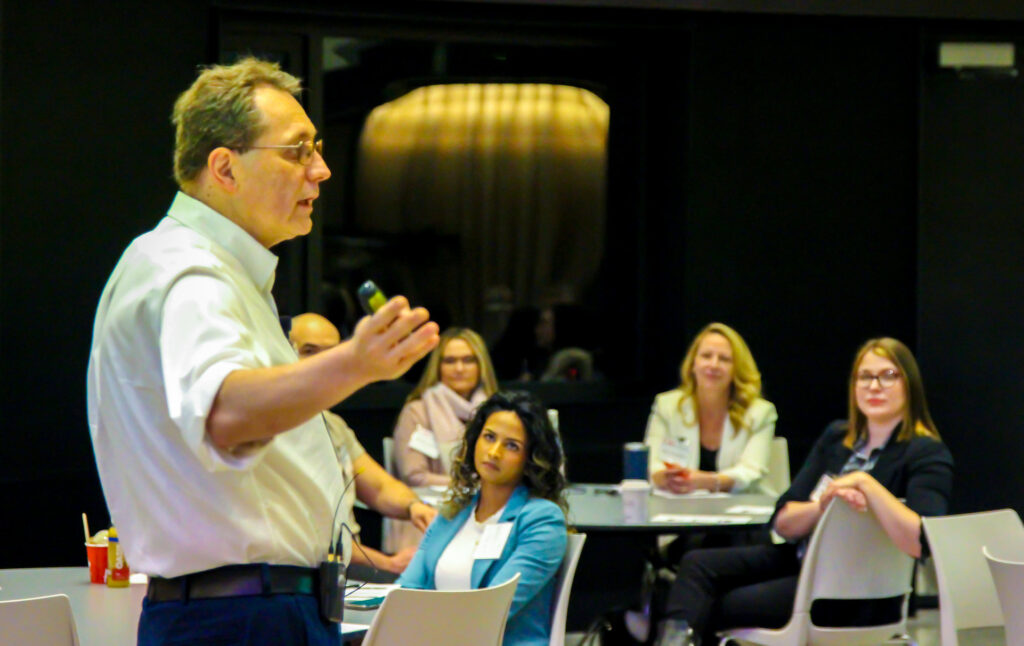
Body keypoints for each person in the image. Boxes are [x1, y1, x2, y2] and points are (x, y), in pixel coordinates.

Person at [86, 58, 439, 646]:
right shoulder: (189, 271)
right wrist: (356, 362)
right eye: (298, 151)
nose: (321, 171)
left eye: (318, 149)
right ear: (224, 167)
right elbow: (226, 416)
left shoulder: (196, 266)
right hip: (242, 619)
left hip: (248, 612)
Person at [654, 338, 954, 646]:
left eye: (888, 375)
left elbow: (922, 542)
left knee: (707, 604)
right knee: (695, 566)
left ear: (910, 385)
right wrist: (823, 505)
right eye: (865, 376)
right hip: (801, 564)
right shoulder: (838, 439)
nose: (874, 386)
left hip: (854, 591)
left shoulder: (925, 452)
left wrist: (865, 484)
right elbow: (783, 520)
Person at [398, 391, 569, 646]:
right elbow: (406, 591)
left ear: (531, 458)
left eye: (512, 445)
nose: (494, 452)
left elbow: (491, 610)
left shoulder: (541, 520)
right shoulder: (453, 513)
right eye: (489, 437)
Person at [289, 312, 437, 575]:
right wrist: (387, 563)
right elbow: (318, 537)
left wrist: (415, 507)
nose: (323, 363)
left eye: (331, 354)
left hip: (347, 566)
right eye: (309, 351)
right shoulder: (274, 428)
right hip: (309, 571)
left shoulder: (333, 424)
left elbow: (379, 487)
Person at [645, 323, 778, 495]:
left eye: (724, 359)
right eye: (706, 356)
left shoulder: (760, 413)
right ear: (693, 364)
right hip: (678, 509)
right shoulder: (666, 406)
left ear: (736, 369)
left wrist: (706, 481)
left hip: (741, 510)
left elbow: (751, 472)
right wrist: (665, 476)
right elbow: (652, 464)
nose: (713, 365)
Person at [393, 327, 499, 488]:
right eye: (450, 361)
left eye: (468, 360)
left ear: (481, 365)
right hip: (433, 506)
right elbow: (414, 476)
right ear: (438, 367)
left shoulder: (498, 410)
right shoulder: (417, 411)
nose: (459, 369)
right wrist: (473, 485)